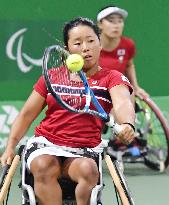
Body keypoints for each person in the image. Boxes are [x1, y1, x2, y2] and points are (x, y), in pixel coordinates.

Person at [0, 17, 135, 205]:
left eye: (90, 40)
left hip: (84, 149)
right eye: (77, 43)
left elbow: (122, 104)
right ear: (68, 49)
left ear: (100, 43)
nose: (85, 47)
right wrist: (9, 148)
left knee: (89, 170)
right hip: (46, 144)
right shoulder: (52, 77)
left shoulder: (111, 77)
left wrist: (127, 123)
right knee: (43, 165)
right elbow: (26, 114)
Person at [97, 5, 149, 98]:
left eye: (120, 21)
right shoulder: (92, 45)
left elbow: (129, 65)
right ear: (100, 24)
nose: (116, 25)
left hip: (118, 89)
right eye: (111, 21)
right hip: (95, 89)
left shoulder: (128, 45)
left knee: (129, 91)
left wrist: (136, 87)